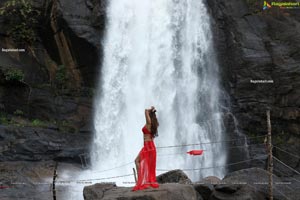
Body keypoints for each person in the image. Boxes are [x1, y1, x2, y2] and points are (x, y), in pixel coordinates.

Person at [132, 106, 159, 191]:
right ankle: (142, 182)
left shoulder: (149, 123)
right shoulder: (153, 124)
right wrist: (152, 111)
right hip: (151, 146)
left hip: (148, 146)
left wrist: (149, 110)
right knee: (147, 165)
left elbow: (145, 111)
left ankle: (140, 182)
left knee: (137, 161)